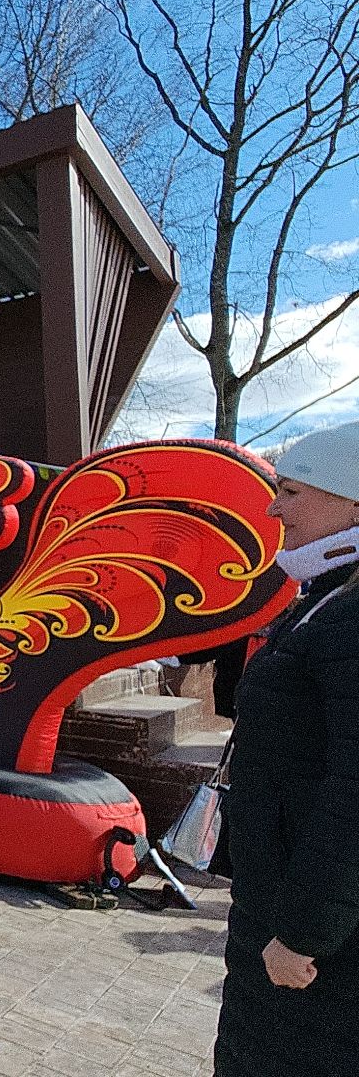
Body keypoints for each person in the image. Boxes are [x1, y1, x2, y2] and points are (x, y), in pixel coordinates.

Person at [213, 420, 359, 1075]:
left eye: (291, 490)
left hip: (311, 953)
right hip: (276, 916)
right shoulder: (327, 600)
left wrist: (303, 931)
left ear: (351, 501)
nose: (273, 508)